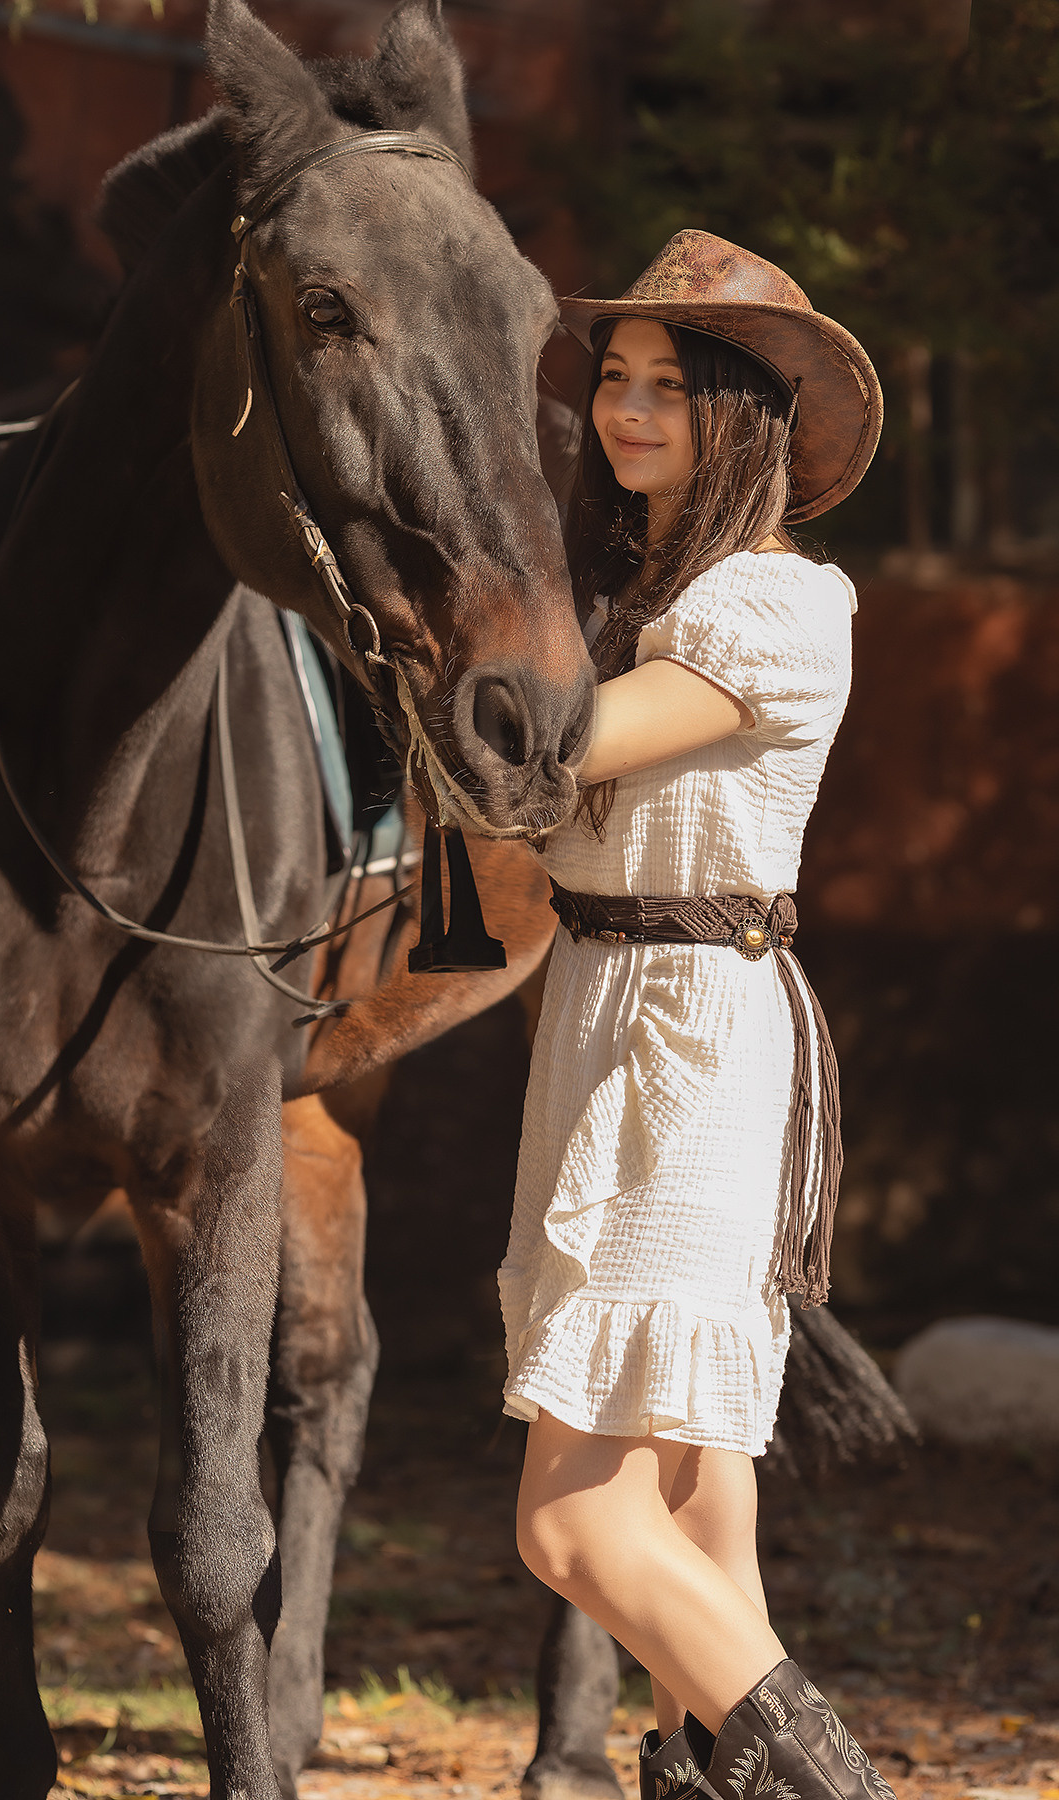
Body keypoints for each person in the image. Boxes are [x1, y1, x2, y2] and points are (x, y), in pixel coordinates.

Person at [498, 231, 894, 1800]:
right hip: (601, 1016)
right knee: (694, 1496)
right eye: (616, 378)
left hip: (690, 1038)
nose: (628, 410)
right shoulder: (638, 598)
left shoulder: (780, 607)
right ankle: (706, 1770)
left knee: (570, 1524)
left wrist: (427, 637)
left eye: (671, 385)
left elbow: (560, 749)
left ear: (744, 417)